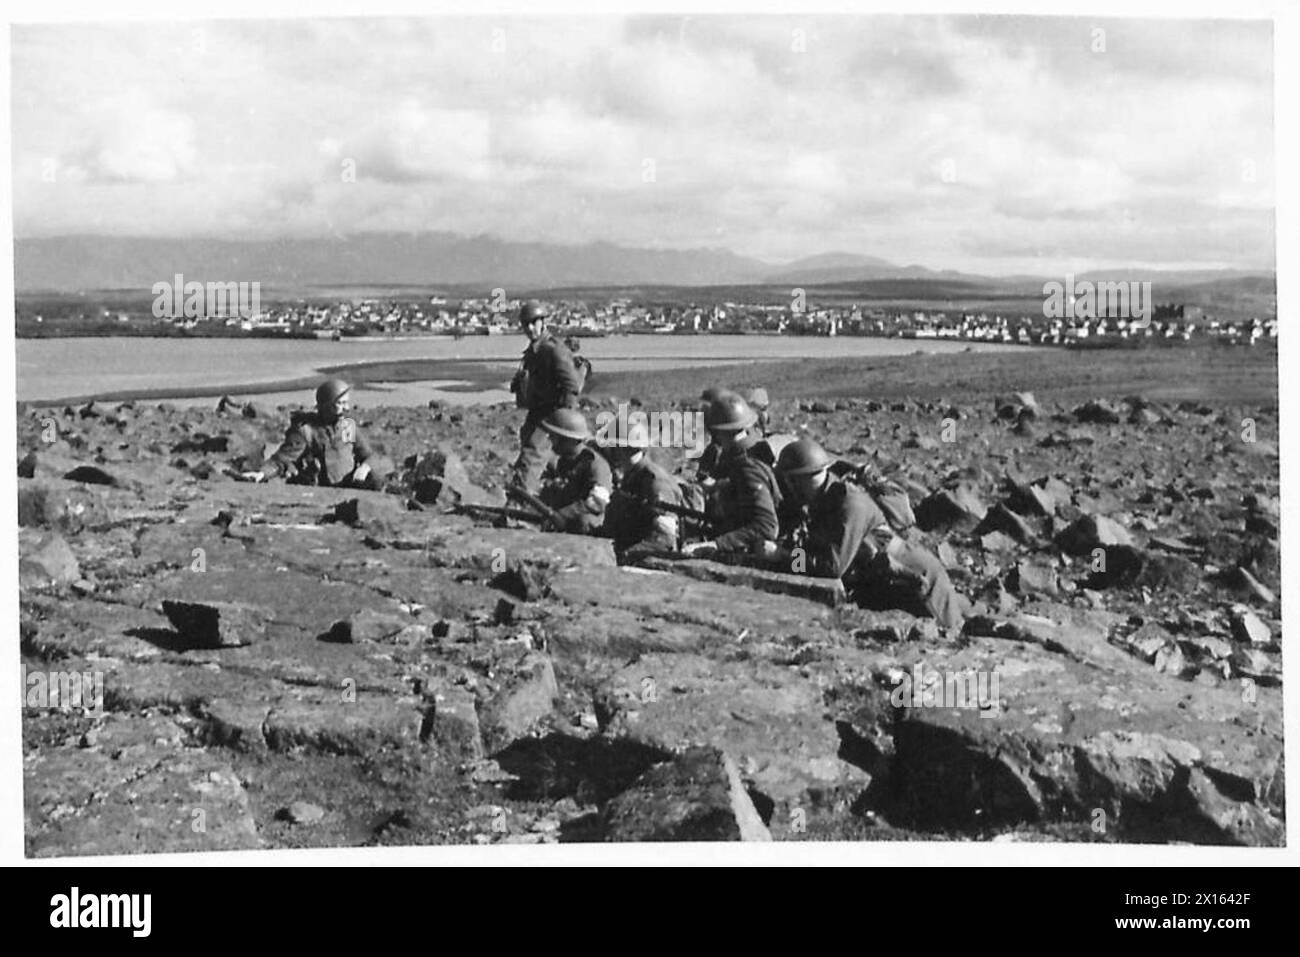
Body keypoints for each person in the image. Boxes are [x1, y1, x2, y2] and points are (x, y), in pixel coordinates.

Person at [769, 437, 965, 630]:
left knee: (950, 639)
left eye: (790, 480)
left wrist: (783, 556)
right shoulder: (823, 500)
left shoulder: (850, 505)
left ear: (801, 479)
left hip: (921, 582)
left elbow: (831, 566)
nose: (787, 487)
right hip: (891, 581)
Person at [681, 392, 781, 560]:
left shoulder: (747, 466)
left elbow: (766, 526)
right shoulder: (745, 449)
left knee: (799, 566)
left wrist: (717, 544)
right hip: (777, 545)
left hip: (783, 552)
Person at [235, 378, 379, 488]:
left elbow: (369, 455)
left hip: (349, 483)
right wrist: (262, 474)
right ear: (327, 405)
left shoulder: (348, 426)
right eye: (340, 404)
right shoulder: (306, 430)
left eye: (346, 403)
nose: (346, 408)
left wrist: (365, 468)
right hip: (321, 486)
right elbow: (283, 459)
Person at [510, 301, 582, 493]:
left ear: (543, 322)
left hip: (552, 414)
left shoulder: (553, 349)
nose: (531, 328)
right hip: (537, 413)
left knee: (531, 458)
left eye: (535, 323)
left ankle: (522, 506)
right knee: (540, 456)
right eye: (527, 324)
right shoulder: (534, 351)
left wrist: (564, 419)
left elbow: (571, 386)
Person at [601, 417, 685, 557]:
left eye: (614, 446)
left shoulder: (655, 481)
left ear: (623, 449)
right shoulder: (632, 475)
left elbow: (664, 539)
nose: (611, 452)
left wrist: (626, 554)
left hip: (651, 557)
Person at [536, 408, 613, 534]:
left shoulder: (595, 465)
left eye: (554, 436)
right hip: (566, 522)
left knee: (583, 521)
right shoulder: (565, 461)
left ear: (568, 439)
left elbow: (597, 503)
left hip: (590, 527)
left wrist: (563, 514)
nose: (550, 440)